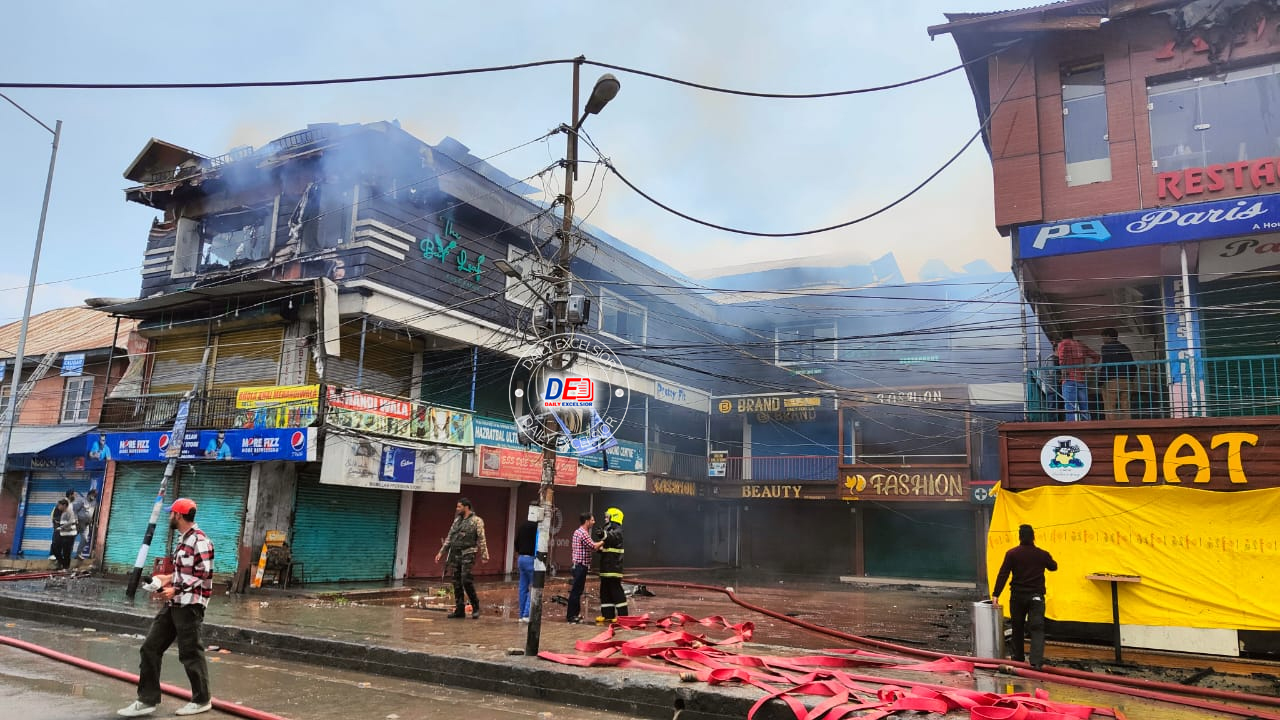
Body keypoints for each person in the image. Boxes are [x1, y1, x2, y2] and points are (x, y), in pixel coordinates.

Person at [118, 498, 215, 717]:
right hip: (174, 604)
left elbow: (204, 573)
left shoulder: (199, 540)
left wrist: (177, 589)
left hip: (189, 606)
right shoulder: (184, 540)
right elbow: (186, 572)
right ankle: (147, 700)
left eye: (171, 514)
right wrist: (166, 579)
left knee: (190, 652)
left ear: (178, 516)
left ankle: (202, 700)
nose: (169, 517)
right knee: (150, 648)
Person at [992, 524, 1058, 670]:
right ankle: (1035, 661)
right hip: (1036, 597)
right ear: (1033, 537)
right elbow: (1054, 567)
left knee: (1017, 627)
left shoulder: (1012, 554)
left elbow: (1003, 574)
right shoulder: (1042, 554)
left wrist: (996, 594)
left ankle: (1018, 659)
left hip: (1017, 596)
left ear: (1020, 537)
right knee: (1037, 627)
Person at [434, 497, 488, 619]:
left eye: (459, 507)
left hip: (469, 552)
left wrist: (485, 555)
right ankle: (459, 609)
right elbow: (449, 537)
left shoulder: (477, 521)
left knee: (466, 579)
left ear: (466, 507)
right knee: (456, 581)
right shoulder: (457, 521)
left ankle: (475, 606)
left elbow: (482, 538)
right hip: (456, 553)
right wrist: (441, 553)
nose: (457, 509)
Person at [1054, 331, 1099, 421]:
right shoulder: (1081, 345)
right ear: (1072, 336)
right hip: (1081, 379)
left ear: (1062, 337)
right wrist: (1091, 368)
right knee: (1084, 407)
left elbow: (1062, 359)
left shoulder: (1063, 344)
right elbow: (1096, 356)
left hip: (1069, 378)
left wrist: (1063, 372)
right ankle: (1087, 425)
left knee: (1070, 406)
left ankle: (1071, 428)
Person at [566, 512, 602, 623]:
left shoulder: (579, 531)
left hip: (578, 565)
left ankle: (574, 614)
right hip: (580, 566)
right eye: (592, 520)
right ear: (586, 521)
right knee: (576, 591)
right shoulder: (583, 533)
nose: (593, 522)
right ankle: (572, 616)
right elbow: (593, 546)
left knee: (577, 591)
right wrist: (604, 540)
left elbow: (588, 547)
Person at [597, 507, 627, 623]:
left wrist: (603, 534)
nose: (605, 518)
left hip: (614, 568)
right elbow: (607, 545)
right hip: (606, 567)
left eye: (607, 516)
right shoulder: (608, 529)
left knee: (616, 591)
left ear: (613, 517)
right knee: (604, 591)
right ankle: (607, 615)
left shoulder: (618, 530)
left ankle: (623, 616)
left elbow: (611, 537)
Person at [1099, 328, 1137, 420]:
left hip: (1112, 380)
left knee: (1110, 406)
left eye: (1103, 337)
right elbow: (1133, 366)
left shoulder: (1106, 347)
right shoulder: (1125, 348)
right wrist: (1130, 379)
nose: (1103, 340)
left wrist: (1100, 381)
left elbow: (1106, 365)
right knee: (1126, 407)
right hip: (1126, 380)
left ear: (1108, 336)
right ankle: (1128, 426)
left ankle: (1111, 427)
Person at [514, 518, 537, 622]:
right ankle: (526, 614)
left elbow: (516, 542)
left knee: (522, 588)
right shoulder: (538, 527)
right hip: (532, 559)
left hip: (521, 558)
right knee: (534, 587)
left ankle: (521, 615)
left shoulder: (522, 525)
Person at [50, 499, 77, 570]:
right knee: (55, 547)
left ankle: (66, 566)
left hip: (69, 535)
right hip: (63, 534)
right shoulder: (62, 512)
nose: (58, 507)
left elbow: (71, 522)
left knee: (66, 552)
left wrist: (61, 527)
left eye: (59, 505)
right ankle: (62, 563)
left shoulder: (69, 511)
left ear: (64, 505)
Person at [74, 489, 98, 559]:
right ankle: (67, 554)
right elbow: (75, 510)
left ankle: (78, 554)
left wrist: (93, 521)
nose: (94, 497)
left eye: (95, 496)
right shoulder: (81, 500)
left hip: (86, 524)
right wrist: (76, 520)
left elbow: (93, 513)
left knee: (85, 539)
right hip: (78, 523)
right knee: (72, 539)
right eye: (93, 495)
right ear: (89, 494)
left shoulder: (94, 502)